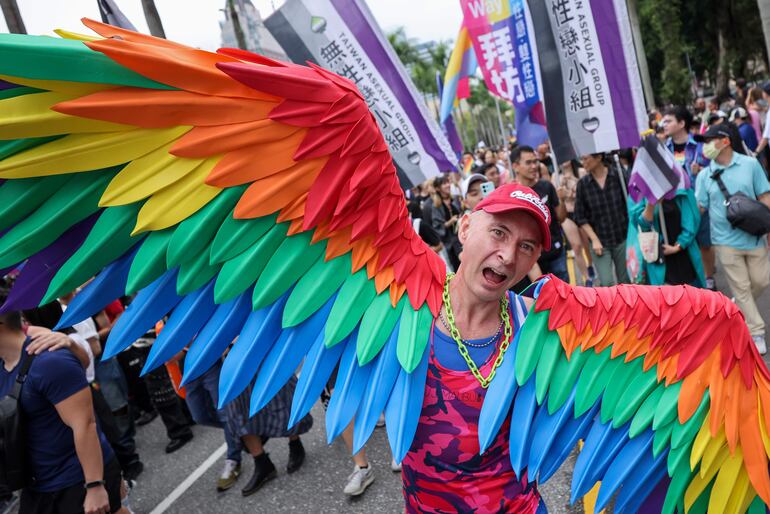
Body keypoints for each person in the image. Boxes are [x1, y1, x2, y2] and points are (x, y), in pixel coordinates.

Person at [402, 182, 549, 513]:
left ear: (535, 259)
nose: (508, 256)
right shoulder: (407, 312)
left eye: (526, 246)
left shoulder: (539, 327)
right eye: (498, 232)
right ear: (466, 227)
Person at [0, 299, 124, 513]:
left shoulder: (48, 361)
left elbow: (84, 424)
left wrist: (95, 486)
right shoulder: (8, 359)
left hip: (75, 480)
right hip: (38, 484)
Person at [694, 124, 770, 354]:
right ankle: (756, 332)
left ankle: (738, 305)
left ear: (725, 141)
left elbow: (764, 196)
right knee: (742, 287)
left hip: (754, 237)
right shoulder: (704, 176)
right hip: (724, 241)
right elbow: (699, 208)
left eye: (710, 140)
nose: (706, 146)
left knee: (760, 281)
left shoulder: (749, 165)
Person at [225, 378, 312, 497]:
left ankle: (295, 442)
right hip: (233, 364)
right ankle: (262, 463)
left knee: (279, 393)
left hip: (261, 359)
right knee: (239, 409)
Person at [661, 105, 716, 290]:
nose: (664, 124)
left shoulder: (700, 145)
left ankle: (709, 277)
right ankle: (696, 282)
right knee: (687, 244)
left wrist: (700, 171)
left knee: (705, 244)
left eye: (668, 120)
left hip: (700, 204)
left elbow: (714, 171)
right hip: (676, 205)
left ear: (682, 123)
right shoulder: (664, 149)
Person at [512, 145, 568, 283]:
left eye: (535, 161)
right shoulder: (513, 194)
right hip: (531, 262)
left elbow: (561, 218)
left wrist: (561, 200)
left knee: (565, 299)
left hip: (556, 254)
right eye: (528, 162)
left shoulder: (547, 186)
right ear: (515, 166)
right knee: (542, 301)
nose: (534, 166)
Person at [574, 153, 630, 286]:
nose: (583, 163)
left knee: (625, 282)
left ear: (599, 157)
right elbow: (579, 216)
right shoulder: (583, 184)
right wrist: (594, 239)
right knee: (607, 283)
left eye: (586, 158)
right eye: (582, 159)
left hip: (622, 237)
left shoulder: (619, 176)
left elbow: (631, 203)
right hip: (600, 242)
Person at [630, 191, 705, 287]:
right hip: (659, 259)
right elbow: (641, 226)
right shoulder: (640, 191)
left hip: (686, 255)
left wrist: (678, 246)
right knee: (668, 298)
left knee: (694, 297)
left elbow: (692, 221)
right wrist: (651, 204)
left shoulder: (681, 187)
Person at [553, 160, 594, 285]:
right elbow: (556, 197)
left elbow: (587, 191)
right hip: (568, 215)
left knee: (586, 245)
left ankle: (590, 264)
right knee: (576, 247)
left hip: (582, 212)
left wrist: (573, 181)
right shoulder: (556, 176)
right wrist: (562, 190)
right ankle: (586, 278)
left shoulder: (581, 171)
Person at [428, 175, 463, 271]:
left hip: (463, 237)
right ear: (438, 188)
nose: (448, 185)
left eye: (448, 182)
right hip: (451, 244)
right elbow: (437, 227)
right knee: (459, 268)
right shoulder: (436, 205)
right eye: (444, 183)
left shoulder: (455, 199)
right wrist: (450, 222)